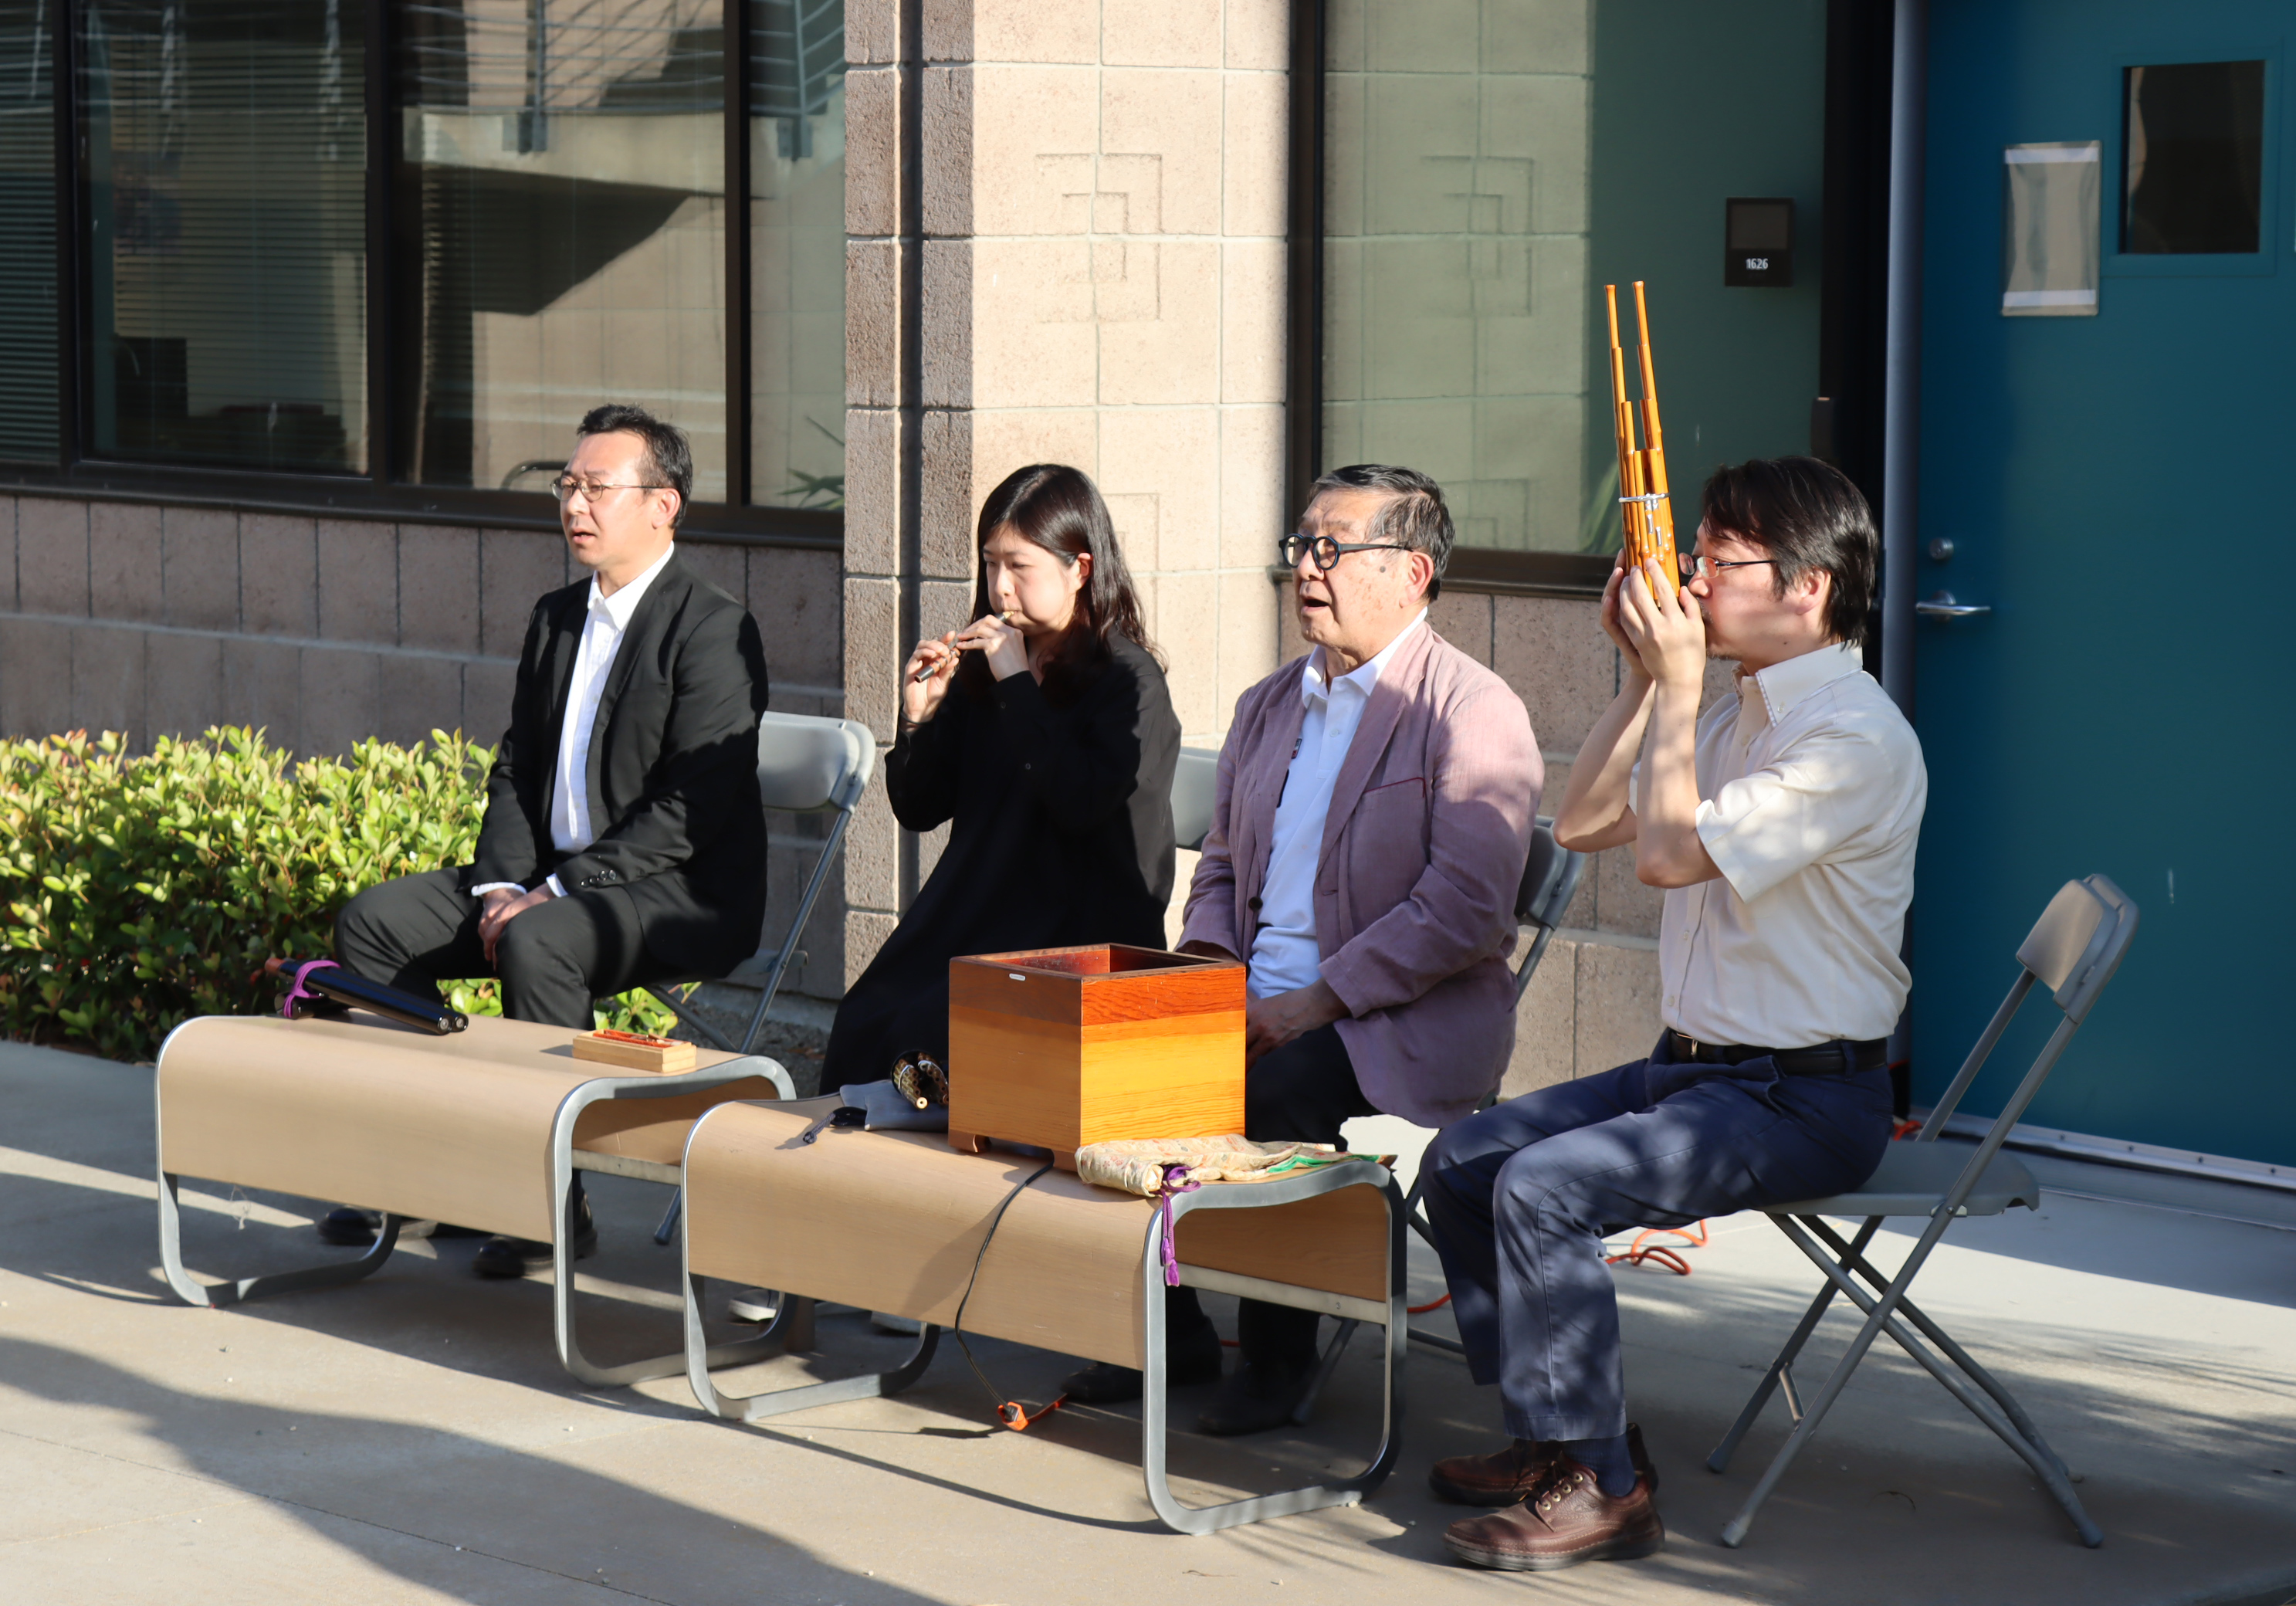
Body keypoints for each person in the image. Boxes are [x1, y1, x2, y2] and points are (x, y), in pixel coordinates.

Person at [1418, 456, 1925, 1573]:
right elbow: (1589, 819)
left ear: (1807, 588)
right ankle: (1548, 1434)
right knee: (1461, 1161)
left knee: (1542, 1189)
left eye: (1716, 560)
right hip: (1698, 1074)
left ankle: (1601, 1485)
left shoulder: (1850, 737)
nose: (1687, 580)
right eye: (1690, 554)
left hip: (1805, 1094)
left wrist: (1683, 681)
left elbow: (1661, 857)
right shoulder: (1742, 702)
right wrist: (1646, 683)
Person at [1056, 464, 1539, 1433]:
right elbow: (1225, 867)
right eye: (1301, 547)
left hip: (1395, 1017)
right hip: (1252, 995)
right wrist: (1198, 986)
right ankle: (1177, 1323)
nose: (1307, 570)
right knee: (1103, 1064)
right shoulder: (1268, 703)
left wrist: (1312, 1001)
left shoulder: (1470, 709)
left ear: (1410, 571)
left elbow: (1465, 910)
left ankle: (1279, 1361)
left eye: (1333, 548)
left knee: (1270, 1092)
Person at [325, 404, 770, 1279]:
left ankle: (547, 1200)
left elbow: (694, 807)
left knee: (538, 937)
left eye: (596, 487)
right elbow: (517, 768)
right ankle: (434, 1171)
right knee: (373, 925)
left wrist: (555, 893)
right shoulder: (556, 617)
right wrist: (500, 885)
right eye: (567, 485)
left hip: (680, 892)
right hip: (546, 887)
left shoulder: (712, 627)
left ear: (662, 505)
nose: (575, 504)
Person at [822, 463, 1179, 1087]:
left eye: (1020, 567)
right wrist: (918, 722)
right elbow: (920, 807)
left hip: (1077, 935)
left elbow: (1082, 805)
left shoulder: (1128, 681)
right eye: (990, 565)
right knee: (865, 1019)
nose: (1000, 587)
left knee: (926, 1039)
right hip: (979, 916)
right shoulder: (989, 669)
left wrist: (1018, 685)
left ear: (1080, 569)